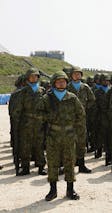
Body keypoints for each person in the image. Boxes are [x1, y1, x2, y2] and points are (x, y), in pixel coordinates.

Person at [38, 71, 85, 201]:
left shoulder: (72, 98)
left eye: (63, 81)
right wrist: (49, 119)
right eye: (58, 81)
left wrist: (77, 131)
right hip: (53, 135)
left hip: (69, 135)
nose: (61, 83)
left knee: (70, 162)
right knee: (52, 163)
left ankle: (70, 190)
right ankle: (53, 190)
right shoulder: (47, 99)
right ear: (53, 83)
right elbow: (39, 115)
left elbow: (80, 115)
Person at [11, 68, 47, 176]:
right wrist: (16, 124)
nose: (33, 78)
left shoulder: (42, 90)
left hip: (39, 123)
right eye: (31, 76)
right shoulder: (22, 92)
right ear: (27, 78)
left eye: (35, 76)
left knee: (39, 146)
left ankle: (41, 167)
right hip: (26, 124)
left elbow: (46, 107)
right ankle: (25, 167)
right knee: (25, 146)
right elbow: (17, 110)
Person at [67, 66, 95, 173]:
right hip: (69, 118)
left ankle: (81, 164)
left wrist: (84, 108)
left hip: (81, 118)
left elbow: (92, 99)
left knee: (82, 141)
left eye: (79, 74)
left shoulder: (85, 87)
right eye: (75, 74)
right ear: (71, 75)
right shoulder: (68, 87)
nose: (77, 75)